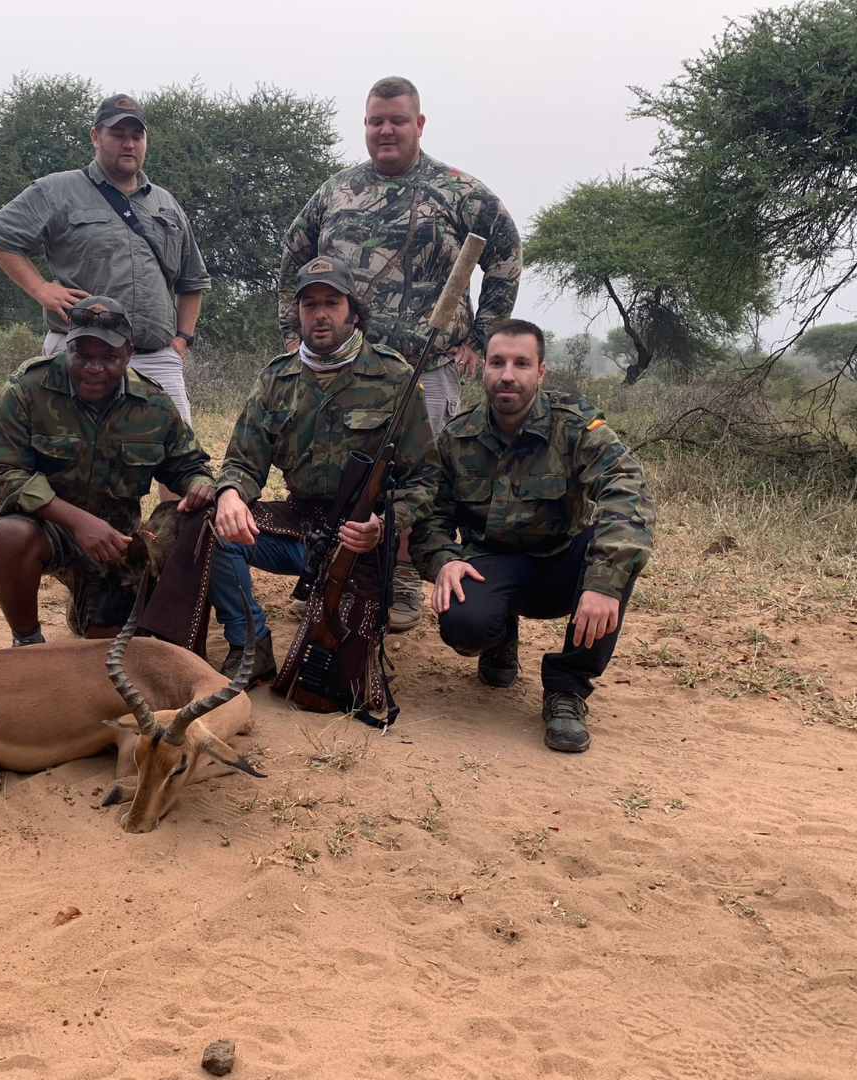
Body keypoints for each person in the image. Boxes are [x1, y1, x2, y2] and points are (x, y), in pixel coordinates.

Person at [278, 75, 521, 632]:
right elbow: (293, 255)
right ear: (365, 126)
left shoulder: (461, 191)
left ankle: (403, 578)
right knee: (344, 469)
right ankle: (326, 569)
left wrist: (482, 338)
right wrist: (290, 332)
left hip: (426, 367)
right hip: (343, 365)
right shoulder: (335, 190)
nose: (385, 130)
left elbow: (505, 254)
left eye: (397, 120)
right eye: (375, 121)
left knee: (415, 472)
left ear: (419, 124)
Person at [410, 319, 656, 752]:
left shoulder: (576, 426)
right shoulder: (456, 437)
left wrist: (603, 584)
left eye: (522, 363)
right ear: (481, 369)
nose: (508, 374)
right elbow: (431, 517)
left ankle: (567, 688)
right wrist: (445, 560)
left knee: (614, 555)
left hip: (563, 563)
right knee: (464, 625)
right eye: (497, 362)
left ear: (540, 372)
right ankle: (498, 635)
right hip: (493, 565)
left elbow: (628, 493)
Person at [211, 256, 439, 689]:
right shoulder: (276, 379)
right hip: (297, 526)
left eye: (331, 302)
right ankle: (251, 645)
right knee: (214, 530)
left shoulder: (396, 377)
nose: (319, 314)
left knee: (328, 686)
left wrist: (385, 525)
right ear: (297, 313)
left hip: (359, 538)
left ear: (352, 310)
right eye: (309, 304)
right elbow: (243, 461)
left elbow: (424, 478)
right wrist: (230, 495)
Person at [0, 296, 215, 646]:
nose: (94, 367)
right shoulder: (27, 388)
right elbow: (1, 471)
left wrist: (199, 483)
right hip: (46, 527)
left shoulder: (153, 403)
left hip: (114, 546)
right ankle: (27, 641)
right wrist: (78, 522)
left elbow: (189, 465)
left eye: (108, 357)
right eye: (83, 355)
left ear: (129, 354)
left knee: (105, 645)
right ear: (67, 347)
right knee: (9, 534)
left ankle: (85, 607)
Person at [0, 92, 210, 428]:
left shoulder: (165, 203)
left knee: (180, 460)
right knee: (69, 453)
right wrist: (40, 288)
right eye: (117, 134)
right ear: (95, 137)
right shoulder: (56, 189)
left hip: (156, 357)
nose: (128, 144)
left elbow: (192, 279)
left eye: (136, 136)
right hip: (79, 356)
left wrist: (181, 341)